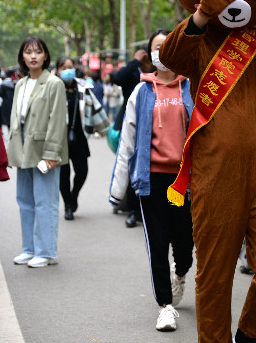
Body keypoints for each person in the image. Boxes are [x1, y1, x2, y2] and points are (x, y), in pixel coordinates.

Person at [109, 30, 194, 332]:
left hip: (185, 180)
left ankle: (181, 273)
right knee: (157, 244)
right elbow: (127, 143)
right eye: (158, 47)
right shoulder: (141, 92)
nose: (163, 51)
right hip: (152, 180)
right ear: (149, 53)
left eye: (169, 46)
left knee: (185, 244)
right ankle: (165, 306)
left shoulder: (191, 87)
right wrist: (119, 189)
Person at [6, 37, 68, 268]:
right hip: (22, 148)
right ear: (22, 56)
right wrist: (11, 151)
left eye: (38, 52)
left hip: (45, 150)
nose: (33, 56)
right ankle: (29, 249)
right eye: (28, 52)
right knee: (24, 200)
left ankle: (45, 251)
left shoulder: (54, 83)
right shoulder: (20, 84)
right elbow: (15, 120)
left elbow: (57, 121)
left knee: (45, 201)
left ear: (45, 56)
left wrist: (51, 153)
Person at [55, 56, 110, 220]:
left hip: (79, 137)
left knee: (82, 171)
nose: (67, 70)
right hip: (59, 138)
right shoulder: (53, 88)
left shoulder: (84, 87)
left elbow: (95, 108)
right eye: (63, 67)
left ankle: (74, 195)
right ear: (57, 71)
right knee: (63, 175)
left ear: (75, 67)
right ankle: (67, 206)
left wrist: (106, 129)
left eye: (69, 67)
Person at [112, 46, 153, 227]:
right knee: (131, 167)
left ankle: (149, 211)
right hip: (131, 125)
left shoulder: (160, 72)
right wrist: (135, 61)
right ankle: (132, 210)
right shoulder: (132, 73)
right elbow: (117, 79)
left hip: (155, 128)